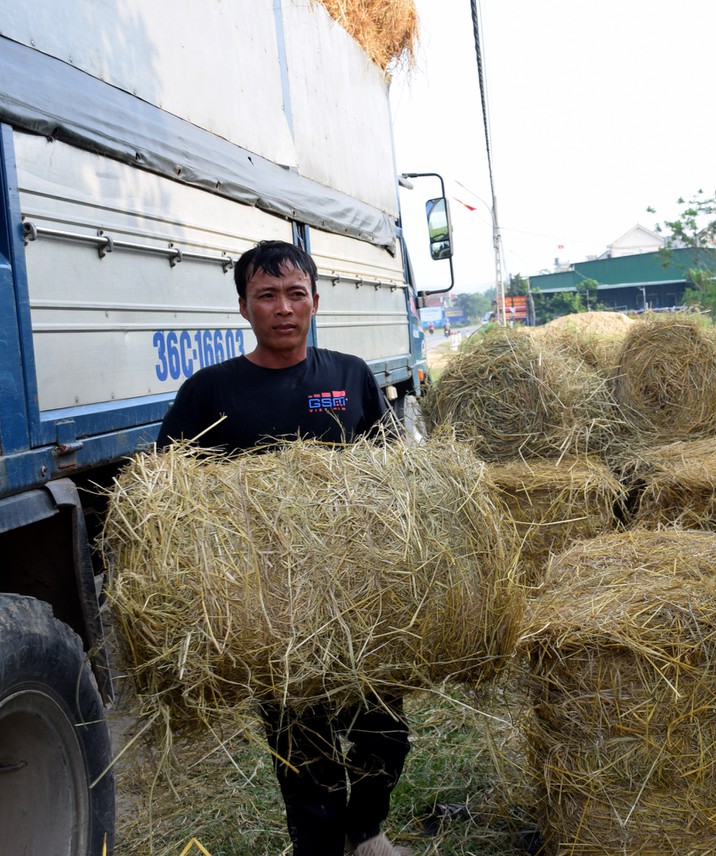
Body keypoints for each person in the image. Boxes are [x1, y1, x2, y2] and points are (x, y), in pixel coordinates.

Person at [157, 240, 410, 856]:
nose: (283, 308)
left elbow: (395, 472)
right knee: (303, 748)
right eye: (266, 296)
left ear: (316, 302)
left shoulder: (348, 375)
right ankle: (319, 848)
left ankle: (366, 833)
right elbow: (168, 489)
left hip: (356, 592)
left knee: (384, 732)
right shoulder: (210, 392)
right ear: (243, 308)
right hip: (271, 604)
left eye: (295, 294)